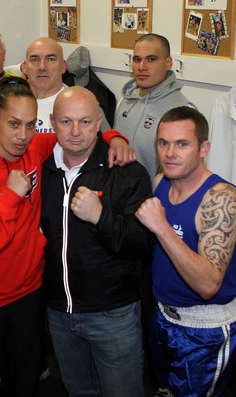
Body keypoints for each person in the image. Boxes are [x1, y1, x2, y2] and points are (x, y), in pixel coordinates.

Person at [0, 76, 134, 396]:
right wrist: (9, 197)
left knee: (27, 382)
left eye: (31, 125)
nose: (22, 136)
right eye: (14, 124)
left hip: (29, 295)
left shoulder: (35, 147)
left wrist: (114, 136)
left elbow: (75, 135)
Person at [41, 87, 153, 396]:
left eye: (85, 122)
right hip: (59, 314)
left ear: (100, 121)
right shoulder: (42, 168)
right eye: (66, 121)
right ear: (52, 122)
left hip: (112, 314)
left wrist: (101, 217)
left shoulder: (127, 172)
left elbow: (143, 244)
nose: (75, 131)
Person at [136, 106, 236, 397]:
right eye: (163, 143)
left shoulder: (221, 199)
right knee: (164, 390)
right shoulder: (161, 185)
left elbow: (208, 285)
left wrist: (161, 226)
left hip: (205, 330)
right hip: (164, 317)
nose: (170, 153)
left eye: (182, 144)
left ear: (203, 148)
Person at [114, 34, 194, 179]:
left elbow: (188, 173)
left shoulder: (182, 111)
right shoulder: (124, 101)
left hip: (155, 199)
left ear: (168, 63)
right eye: (137, 59)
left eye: (151, 59)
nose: (141, 67)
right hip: (118, 196)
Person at [21, 37, 111, 133]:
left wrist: (115, 138)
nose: (42, 67)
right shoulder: (8, 103)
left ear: (64, 66)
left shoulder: (86, 105)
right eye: (34, 59)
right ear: (24, 67)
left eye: (51, 59)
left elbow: (107, 142)